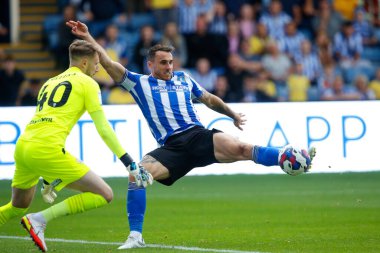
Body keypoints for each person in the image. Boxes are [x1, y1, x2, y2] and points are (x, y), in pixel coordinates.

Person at [66, 20, 317, 249]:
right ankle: (135, 236)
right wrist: (88, 36)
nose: (168, 67)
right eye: (163, 62)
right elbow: (108, 63)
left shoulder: (185, 79)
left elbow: (208, 98)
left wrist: (231, 114)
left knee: (242, 148)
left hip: (198, 137)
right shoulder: (138, 83)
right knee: (137, 175)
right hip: (171, 148)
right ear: (150, 64)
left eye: (171, 62)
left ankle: (287, 158)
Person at [0, 39, 153, 252]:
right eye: (96, 63)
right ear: (84, 62)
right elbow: (103, 128)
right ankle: (39, 219)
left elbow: (49, 124)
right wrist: (129, 162)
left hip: (25, 146)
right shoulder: (88, 83)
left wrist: (49, 177)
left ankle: (45, 188)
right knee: (104, 194)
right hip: (46, 149)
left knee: (17, 205)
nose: (98, 68)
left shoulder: (50, 82)